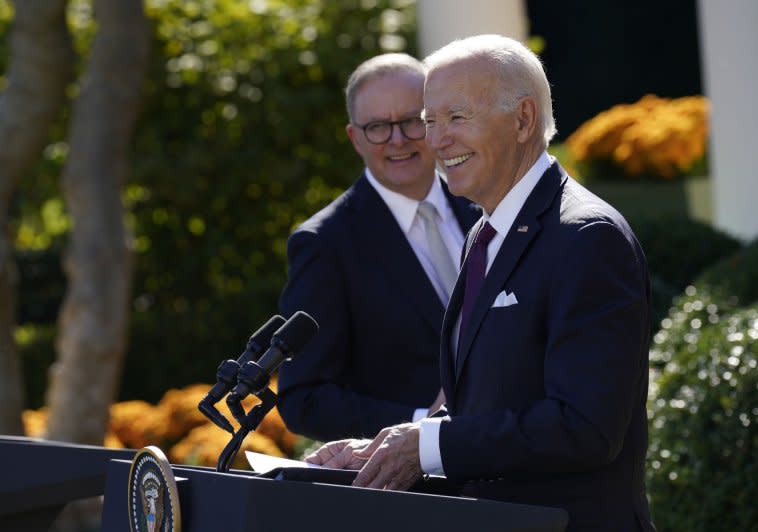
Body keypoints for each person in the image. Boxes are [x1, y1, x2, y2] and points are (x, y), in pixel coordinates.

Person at [307, 35, 656, 531]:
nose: (435, 140)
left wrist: (428, 447)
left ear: (523, 119)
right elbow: (493, 406)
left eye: (456, 118)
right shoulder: (484, 232)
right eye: (430, 121)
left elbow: (586, 428)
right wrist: (394, 446)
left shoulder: (586, 237)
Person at [277, 53, 480, 442]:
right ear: (355, 138)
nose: (397, 139)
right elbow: (304, 398)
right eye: (377, 127)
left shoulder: (486, 206)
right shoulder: (325, 244)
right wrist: (424, 425)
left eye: (412, 121)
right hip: (419, 491)